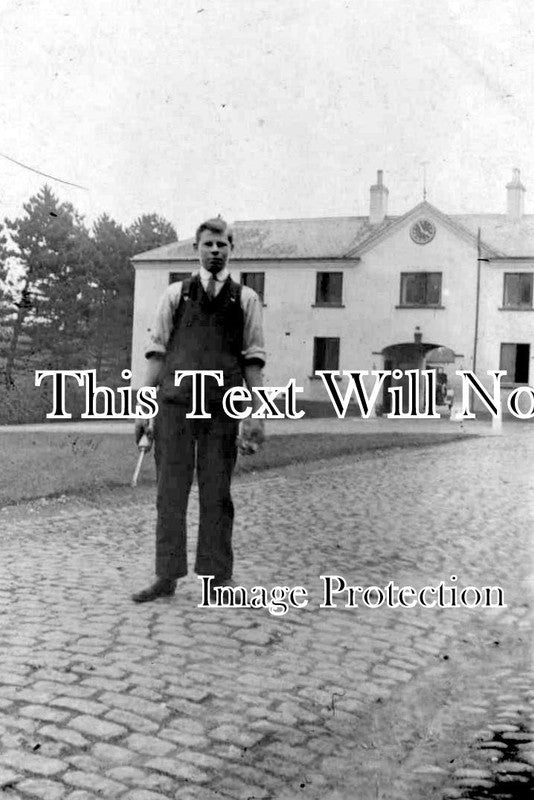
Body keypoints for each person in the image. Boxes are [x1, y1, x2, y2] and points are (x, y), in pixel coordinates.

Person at [132, 217, 266, 603]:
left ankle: (217, 578)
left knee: (217, 493)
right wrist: (144, 409)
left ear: (231, 248)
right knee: (169, 493)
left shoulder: (246, 299)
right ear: (197, 248)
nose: (215, 251)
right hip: (174, 408)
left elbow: (253, 361)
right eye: (208, 244)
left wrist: (256, 412)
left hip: (222, 410)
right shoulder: (176, 295)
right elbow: (156, 354)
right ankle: (166, 576)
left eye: (222, 244)